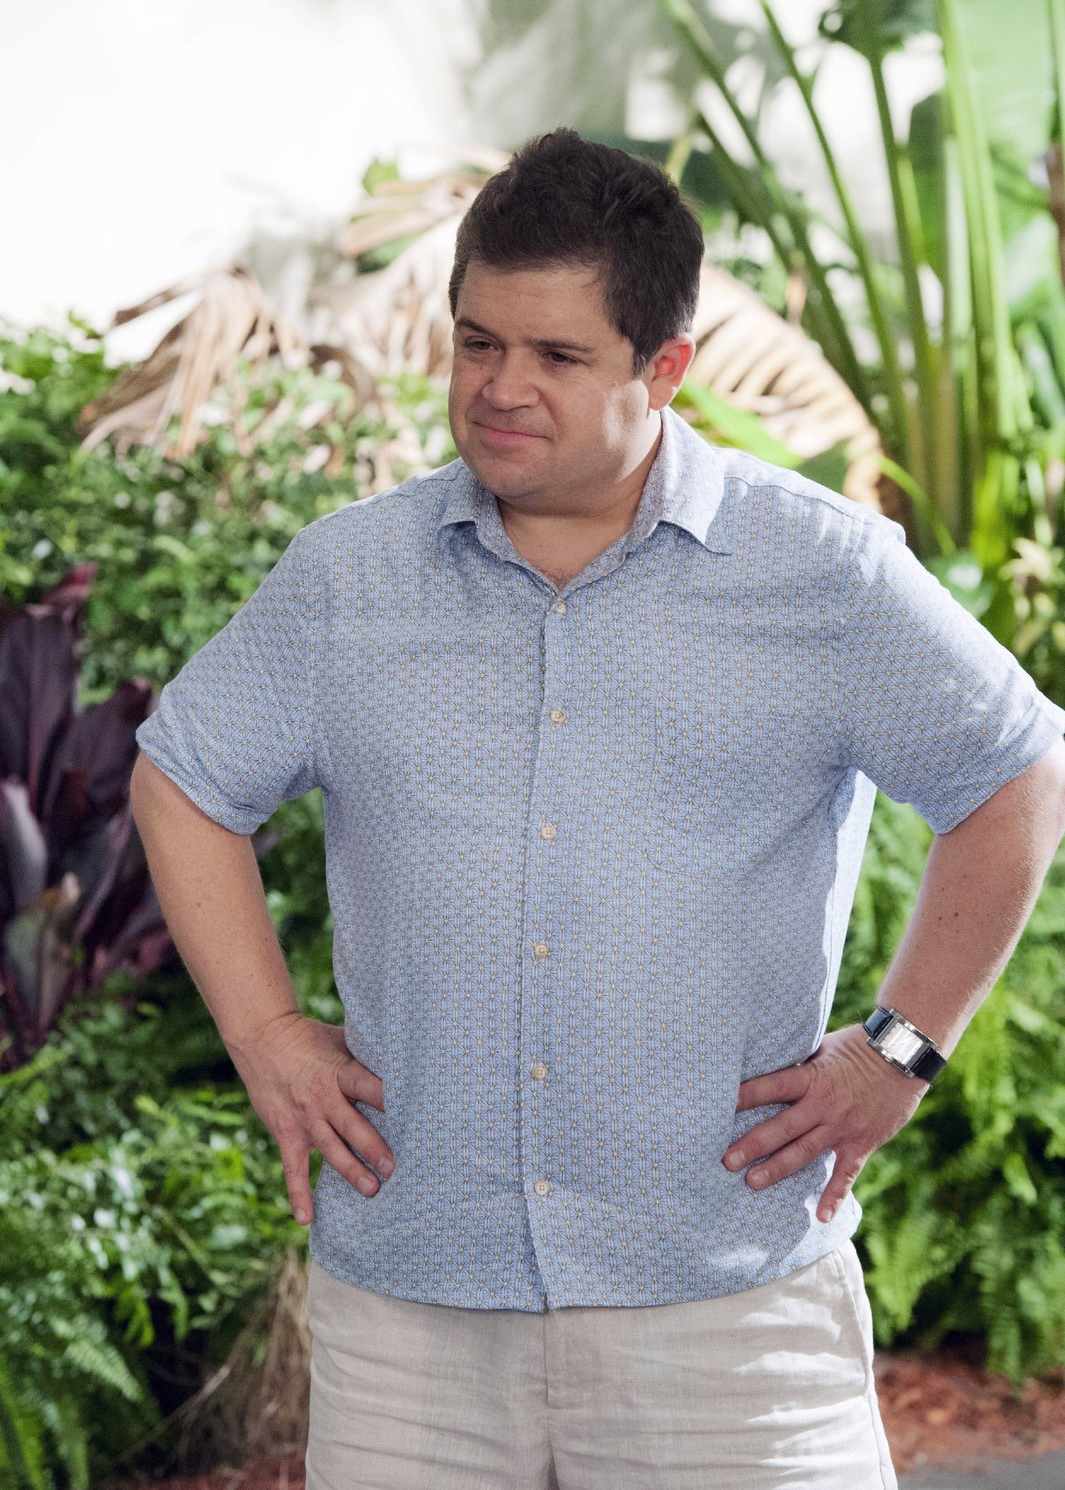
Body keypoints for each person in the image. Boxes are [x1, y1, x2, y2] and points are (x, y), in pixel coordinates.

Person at [130, 128, 1065, 1490]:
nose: (500, 388)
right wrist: (266, 1034)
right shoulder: (349, 581)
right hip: (412, 1321)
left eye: (557, 356)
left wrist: (898, 1053)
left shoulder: (823, 574)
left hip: (727, 1312)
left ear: (663, 368)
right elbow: (184, 780)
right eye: (477, 342)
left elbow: (1016, 773)